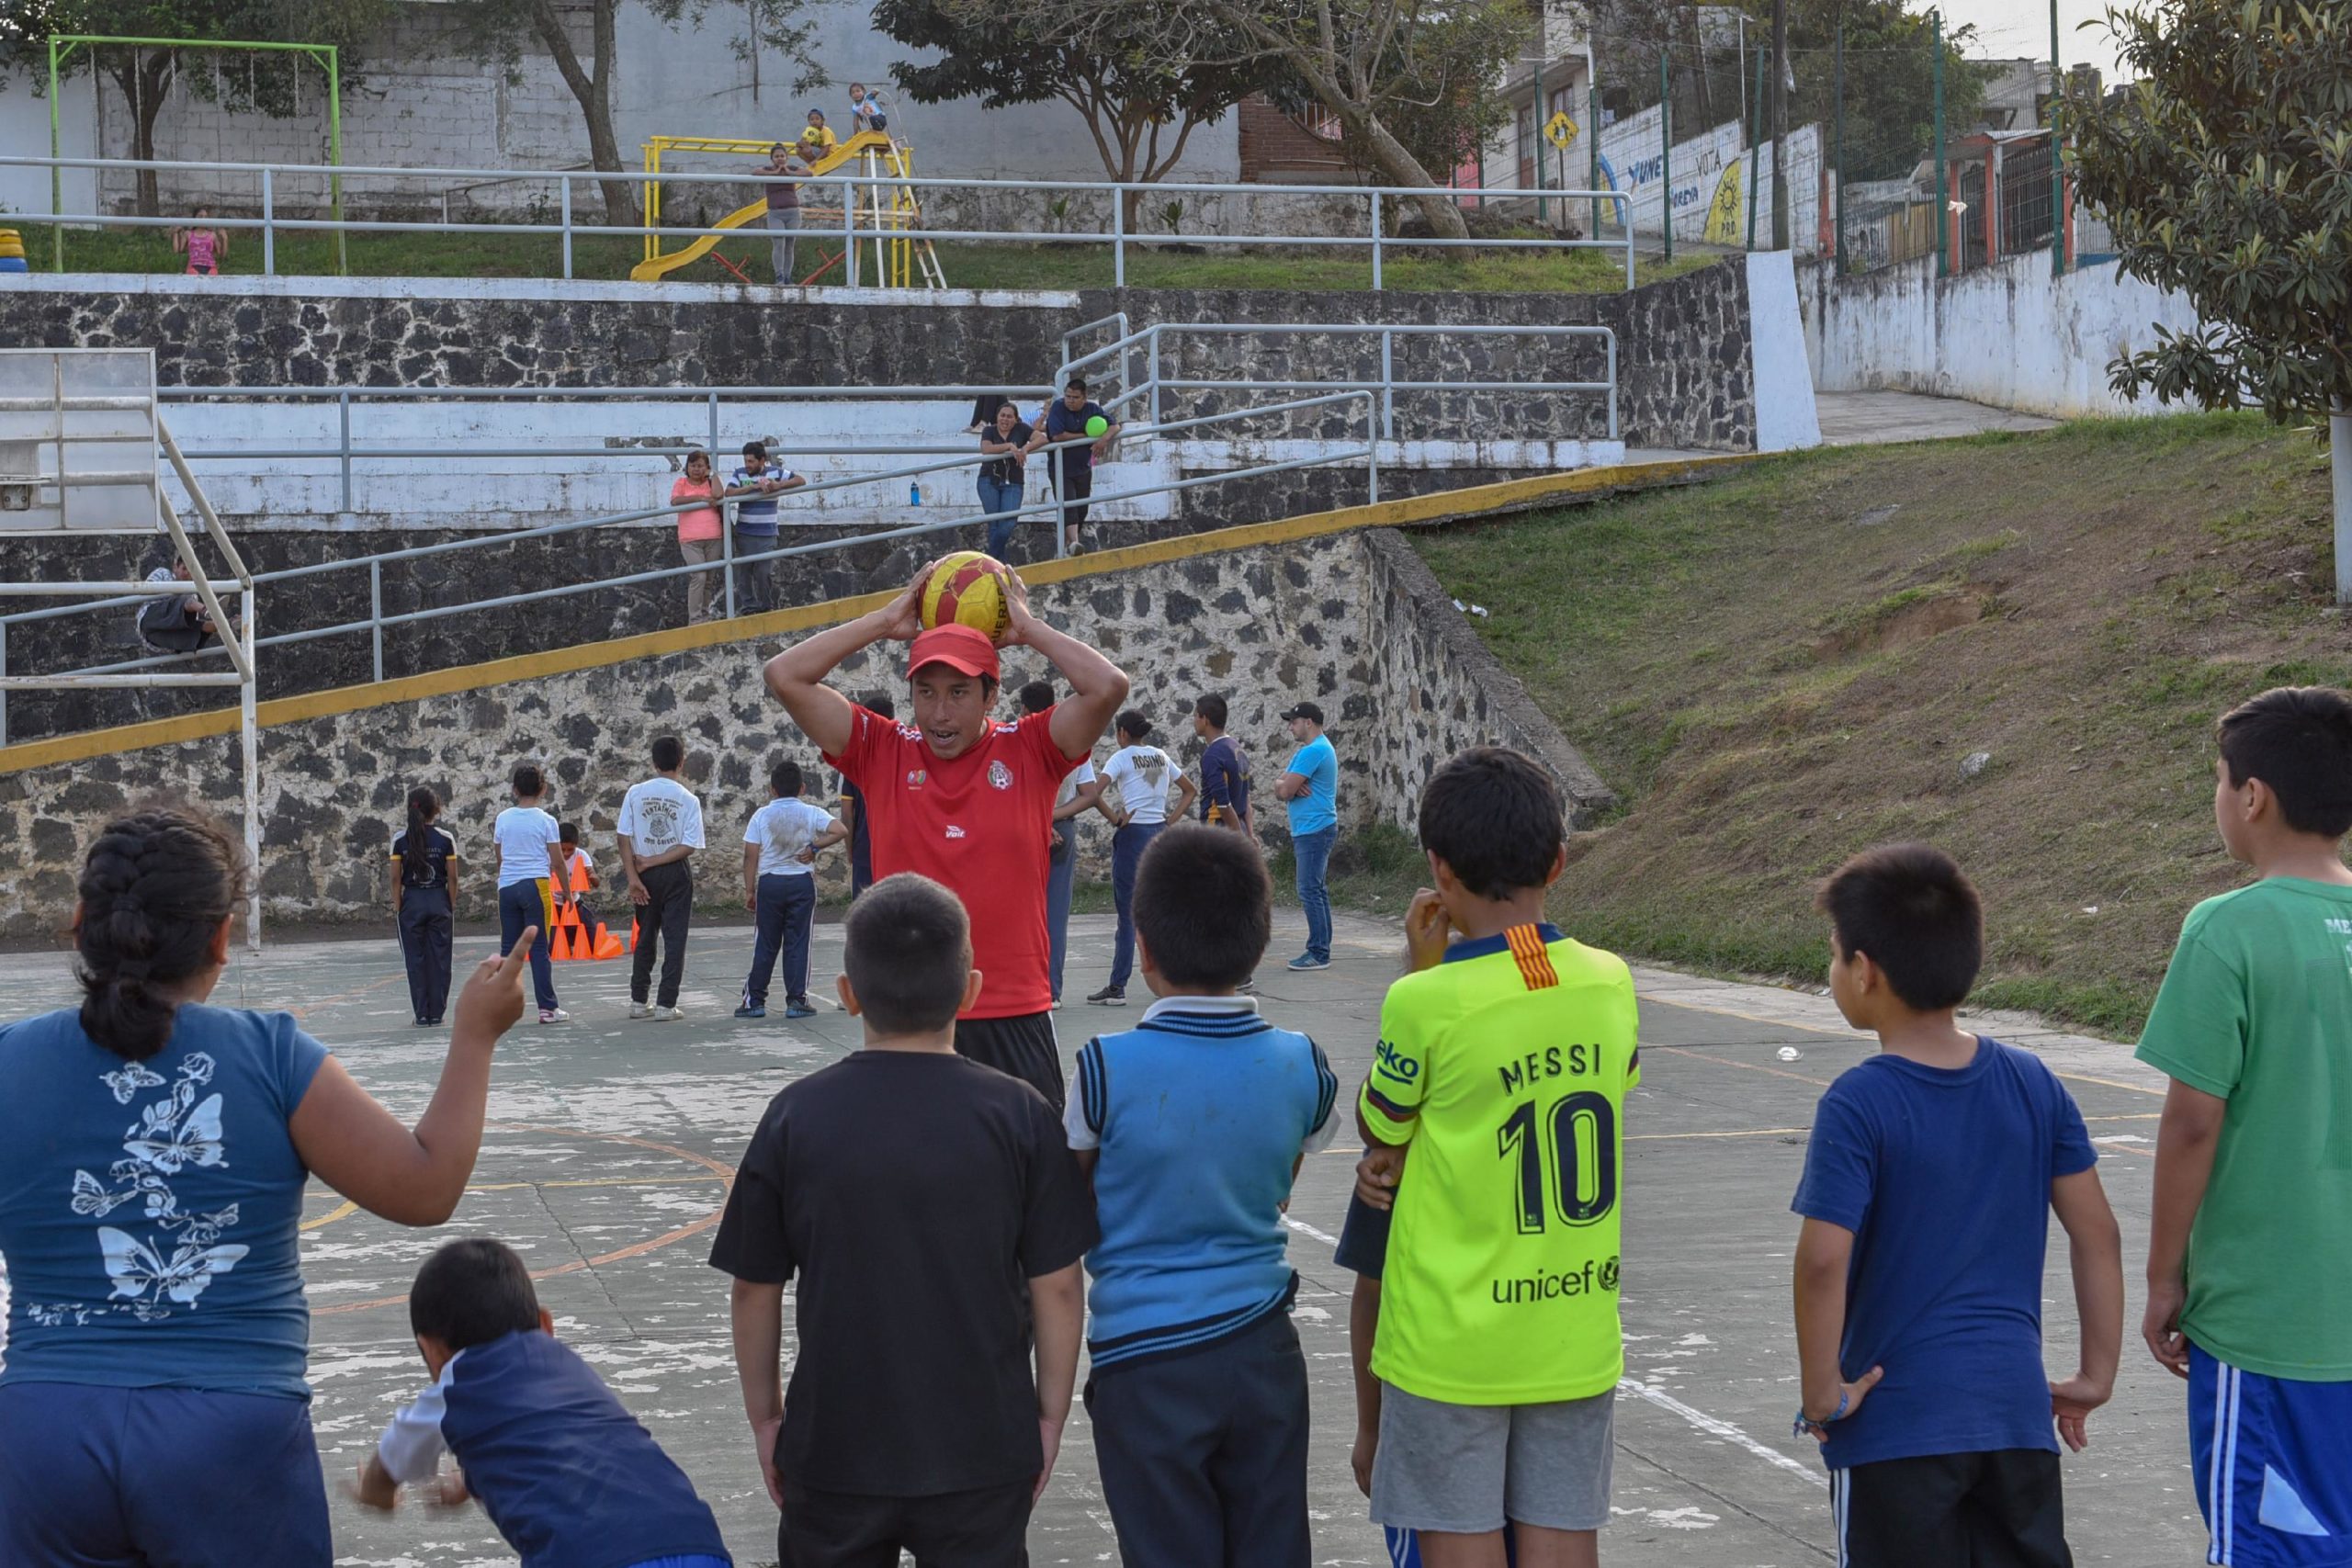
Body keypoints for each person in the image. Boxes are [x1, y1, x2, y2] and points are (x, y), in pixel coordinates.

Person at [0, 807, 534, 1566]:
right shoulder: (271, 1057)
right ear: (220, 938)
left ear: (80, 922)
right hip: (229, 1430)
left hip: (44, 1430)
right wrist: (474, 1034)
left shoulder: (10, 1062)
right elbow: (427, 1187)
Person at [712, 874, 1096, 1567]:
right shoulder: (1022, 1115)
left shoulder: (796, 1116)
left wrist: (768, 1418)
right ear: (971, 990)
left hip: (834, 1446)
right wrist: (1047, 1416)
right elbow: (1060, 1285)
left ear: (847, 992)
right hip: (982, 1445)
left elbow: (754, 1287)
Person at [1791, 842, 2122, 1567]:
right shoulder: (2034, 1082)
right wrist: (2095, 1374)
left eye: (1833, 952)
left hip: (1895, 1426)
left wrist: (1823, 1394)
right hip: (2014, 1417)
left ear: (1865, 970)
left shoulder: (1859, 1100)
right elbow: (2098, 1232)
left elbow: (1822, 1261)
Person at [1353, 747, 1639, 1568]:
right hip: (1571, 1330)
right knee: (1563, 1541)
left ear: (1437, 869)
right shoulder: (1610, 983)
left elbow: (1384, 1129)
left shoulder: (1424, 999)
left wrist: (1419, 966)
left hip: (1450, 1341)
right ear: (1557, 859)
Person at [1067, 823, 1338, 1566]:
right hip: (1262, 1351)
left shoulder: (1102, 1067)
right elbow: (1282, 1187)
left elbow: (1075, 1210)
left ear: (1143, 946)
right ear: (1258, 940)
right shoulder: (1301, 1062)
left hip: (1144, 1359)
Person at [763, 560, 1129, 1110]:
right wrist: (884, 621)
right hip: (908, 1024)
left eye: (959, 692)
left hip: (1013, 1012)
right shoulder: (881, 751)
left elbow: (1107, 686)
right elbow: (784, 675)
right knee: (909, 1189)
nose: (940, 711)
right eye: (926, 692)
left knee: (1030, 1186)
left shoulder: (1029, 750)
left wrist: (1028, 629)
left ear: (990, 696)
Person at [2137, 686, 2352, 1568]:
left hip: (2272, 1323)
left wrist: (2163, 1277)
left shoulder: (2226, 930)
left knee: (2271, 1547)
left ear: (2253, 796)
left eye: (2220, 783)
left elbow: (2193, 1124)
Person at [354, 1237, 732, 1568]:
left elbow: (385, 1471)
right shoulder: (569, 1370)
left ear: (431, 1350)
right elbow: (559, 1447)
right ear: (545, 1325)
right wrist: (470, 1482)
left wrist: (377, 1496)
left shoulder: (454, 1386)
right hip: (698, 1543)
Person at [1335, 1188, 1519, 1568]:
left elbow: (1372, 1294)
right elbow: (1372, 1292)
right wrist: (1370, 1428)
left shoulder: (1392, 1158)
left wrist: (1371, 1428)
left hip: (1442, 1394)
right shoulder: (1392, 1164)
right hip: (1473, 1394)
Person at [1088, 710, 1195, 1007]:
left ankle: (1117, 986)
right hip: (1160, 834)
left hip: (1133, 834)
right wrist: (1170, 820)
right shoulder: (1160, 755)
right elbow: (1189, 790)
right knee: (1162, 910)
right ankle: (1177, 981)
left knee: (1128, 916)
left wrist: (1115, 819)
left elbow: (1094, 793)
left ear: (1122, 733)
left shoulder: (1121, 758)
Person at [737, 760, 845, 1021]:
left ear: (772, 789)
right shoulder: (810, 812)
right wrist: (815, 847)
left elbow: (750, 855)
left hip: (771, 882)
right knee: (798, 942)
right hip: (800, 882)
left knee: (765, 942)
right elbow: (840, 830)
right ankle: (797, 1000)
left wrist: (750, 890)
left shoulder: (762, 815)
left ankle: (755, 1000)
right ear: (803, 788)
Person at [1022, 681, 1103, 1008]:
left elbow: (1015, 792)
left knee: (1024, 912)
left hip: (1027, 828)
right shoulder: (1074, 738)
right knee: (1056, 913)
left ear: (1026, 710)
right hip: (1063, 827)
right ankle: (1052, 991)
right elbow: (1091, 795)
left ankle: (1027, 986)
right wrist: (1055, 816)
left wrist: (1041, 819)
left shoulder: (1022, 739)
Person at [617, 735, 706, 1022]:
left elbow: (624, 836)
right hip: (674, 871)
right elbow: (688, 845)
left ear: (654, 762)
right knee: (675, 938)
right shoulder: (688, 799)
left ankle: (637, 1000)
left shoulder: (635, 793)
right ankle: (667, 1003)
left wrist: (634, 875)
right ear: (681, 763)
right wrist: (656, 859)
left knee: (645, 935)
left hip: (643, 871)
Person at [495, 763, 574, 1025]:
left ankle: (502, 1008)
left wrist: (508, 875)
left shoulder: (503, 818)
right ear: (543, 789)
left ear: (515, 790)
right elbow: (558, 862)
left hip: (507, 887)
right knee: (539, 949)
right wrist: (568, 892)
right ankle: (547, 1008)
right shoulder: (546, 820)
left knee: (509, 949)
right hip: (535, 886)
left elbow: (500, 855)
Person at [1024, 376, 1121, 556]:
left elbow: (1114, 426)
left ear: (1084, 398)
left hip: (1083, 466)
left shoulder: (1092, 408)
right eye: (1068, 396)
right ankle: (1075, 543)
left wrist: (1102, 440)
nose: (1070, 400)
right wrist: (1086, 436)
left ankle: (1068, 545)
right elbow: (1057, 436)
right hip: (1061, 467)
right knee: (1068, 505)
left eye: (1075, 397)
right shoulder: (1058, 407)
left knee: (1082, 508)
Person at [1275, 700, 1339, 971]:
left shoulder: (1313, 752)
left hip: (1314, 829)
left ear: (1309, 722)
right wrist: (1284, 784)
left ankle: (1318, 953)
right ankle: (1321, 948)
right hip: (1314, 828)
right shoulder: (1310, 751)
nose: (1291, 727)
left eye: (1294, 722)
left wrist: (1286, 786)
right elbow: (1280, 785)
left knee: (1309, 890)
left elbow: (1285, 791)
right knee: (1316, 890)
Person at [390, 785, 459, 1027]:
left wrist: (399, 905)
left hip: (412, 902)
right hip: (439, 900)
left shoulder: (399, 840)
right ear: (436, 810)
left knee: (415, 959)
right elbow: (452, 878)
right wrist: (449, 904)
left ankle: (421, 1014)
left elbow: (395, 879)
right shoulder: (445, 839)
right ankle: (437, 1014)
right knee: (440, 959)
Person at [723, 440, 807, 617]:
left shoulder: (775, 472)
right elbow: (728, 492)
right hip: (745, 531)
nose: (748, 465)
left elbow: (801, 480)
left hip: (767, 532)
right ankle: (749, 607)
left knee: (763, 572)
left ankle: (766, 605)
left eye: (751, 461)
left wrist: (778, 486)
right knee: (744, 571)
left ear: (762, 460)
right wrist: (752, 487)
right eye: (746, 461)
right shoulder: (739, 473)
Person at [838, 691, 892, 898]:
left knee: (865, 914)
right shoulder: (907, 756)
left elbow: (847, 815)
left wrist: (850, 849)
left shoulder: (854, 762)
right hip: (898, 848)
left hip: (865, 850)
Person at [134, 556, 232, 656]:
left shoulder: (191, 593)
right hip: (151, 620)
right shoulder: (163, 573)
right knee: (187, 601)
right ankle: (207, 610)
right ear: (175, 567)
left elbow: (190, 623)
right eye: (184, 568)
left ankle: (231, 623)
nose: (186, 573)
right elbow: (145, 591)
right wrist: (173, 593)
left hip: (160, 635)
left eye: (190, 571)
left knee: (199, 627)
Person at [672, 448, 727, 624]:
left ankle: (705, 614)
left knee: (709, 579)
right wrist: (700, 499)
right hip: (690, 540)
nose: (696, 469)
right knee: (699, 576)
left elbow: (719, 495)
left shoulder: (710, 483)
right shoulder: (682, 483)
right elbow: (675, 501)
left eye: (701, 466)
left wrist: (712, 475)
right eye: (693, 465)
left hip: (713, 537)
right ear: (687, 467)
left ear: (707, 467)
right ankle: (694, 619)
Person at [977, 399, 1034, 559]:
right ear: (997, 417)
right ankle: (998, 565)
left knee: (1008, 522)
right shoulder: (989, 430)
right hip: (989, 480)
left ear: (1016, 419)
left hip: (1014, 482)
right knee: (994, 524)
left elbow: (1042, 439)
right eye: (1002, 415)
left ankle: (991, 559)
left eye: (1009, 416)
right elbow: (986, 449)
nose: (1005, 419)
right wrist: (1009, 446)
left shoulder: (1022, 429)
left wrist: (1026, 447)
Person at [1194, 693, 1255, 838]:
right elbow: (1245, 797)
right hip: (1239, 825)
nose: (1194, 720)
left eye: (1196, 715)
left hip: (1219, 829)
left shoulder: (1212, 755)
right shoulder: (1237, 748)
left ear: (1205, 720)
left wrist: (1240, 841)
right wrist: (1250, 835)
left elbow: (1223, 805)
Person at [755, 144, 809, 288]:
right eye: (777, 156)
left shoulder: (791, 168)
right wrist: (775, 173)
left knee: (790, 245)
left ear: (786, 157)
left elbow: (809, 173)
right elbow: (755, 173)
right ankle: (779, 276)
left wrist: (789, 173)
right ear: (772, 159)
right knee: (778, 244)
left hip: (793, 212)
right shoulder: (768, 170)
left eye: (782, 156)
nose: (780, 159)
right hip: (775, 213)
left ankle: (787, 277)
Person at [557, 822, 607, 948]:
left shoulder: (581, 855)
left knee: (594, 941)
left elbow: (596, 883)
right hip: (554, 904)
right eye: (562, 849)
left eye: (570, 849)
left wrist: (592, 875)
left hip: (574, 903)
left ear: (576, 845)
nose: (566, 853)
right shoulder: (549, 855)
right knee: (554, 944)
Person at [173, 208, 227, 276]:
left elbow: (222, 255)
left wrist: (225, 239)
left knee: (211, 278)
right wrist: (175, 233)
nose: (203, 219)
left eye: (206, 217)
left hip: (210, 267)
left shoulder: (212, 235)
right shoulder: (188, 234)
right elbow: (177, 251)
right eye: (200, 216)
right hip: (193, 267)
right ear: (194, 218)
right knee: (192, 276)